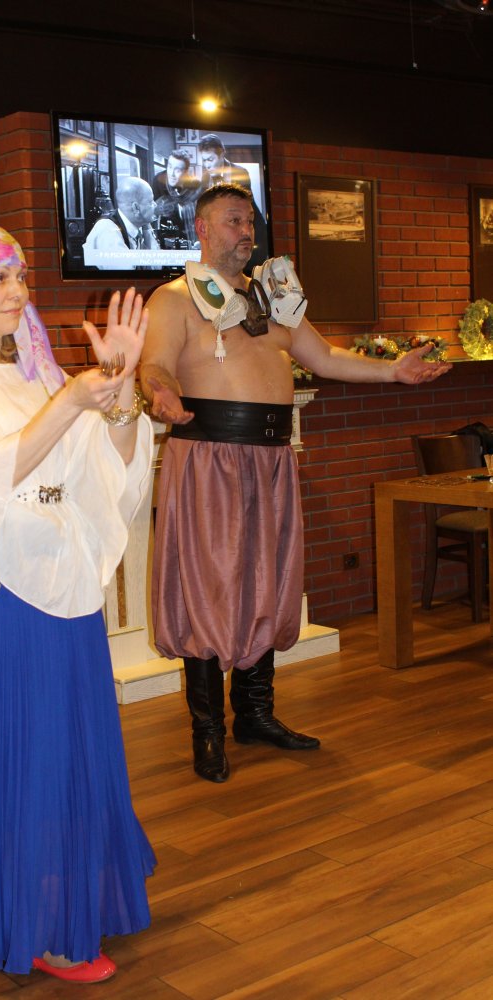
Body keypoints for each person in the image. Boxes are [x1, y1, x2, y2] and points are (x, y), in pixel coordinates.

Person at [0, 223, 156, 981]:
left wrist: (118, 388)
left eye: (19, 275)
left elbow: (104, 474)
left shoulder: (39, 378)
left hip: (62, 585)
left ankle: (44, 905)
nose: (17, 290)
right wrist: (74, 397)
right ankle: (32, 925)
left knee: (70, 752)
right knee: (15, 759)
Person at [139, 184, 452, 784]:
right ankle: (208, 731)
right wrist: (161, 391)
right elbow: (154, 363)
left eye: (250, 222)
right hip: (210, 457)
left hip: (272, 459)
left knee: (269, 581)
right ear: (202, 228)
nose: (246, 232)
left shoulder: (273, 300)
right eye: (234, 221)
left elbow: (326, 357)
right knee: (208, 589)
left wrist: (394, 371)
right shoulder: (174, 300)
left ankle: (255, 715)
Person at [196, 133, 267, 266]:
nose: (207, 165)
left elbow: (240, 210)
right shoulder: (205, 178)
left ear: (222, 154)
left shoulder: (239, 173)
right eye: (204, 160)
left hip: (248, 234)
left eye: (210, 159)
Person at [83, 177, 158, 268]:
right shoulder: (107, 231)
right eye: (150, 202)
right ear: (136, 208)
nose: (155, 205)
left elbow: (157, 265)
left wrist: (147, 229)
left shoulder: (138, 228)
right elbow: (127, 273)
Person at [152, 149, 199, 246]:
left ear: (186, 172)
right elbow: (154, 212)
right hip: (167, 233)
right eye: (170, 167)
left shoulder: (195, 185)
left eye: (177, 170)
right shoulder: (158, 181)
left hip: (190, 232)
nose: (171, 174)